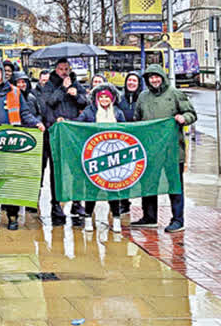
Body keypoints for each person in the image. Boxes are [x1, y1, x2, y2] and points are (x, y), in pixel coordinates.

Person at [0, 61, 45, 230]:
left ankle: (12, 216)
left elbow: (24, 113)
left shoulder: (15, 92)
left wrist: (36, 123)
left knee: (10, 180)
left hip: (11, 142)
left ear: (3, 74)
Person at [134, 64, 197, 233]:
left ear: (162, 77)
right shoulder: (143, 97)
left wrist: (184, 118)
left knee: (174, 185)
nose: (154, 80)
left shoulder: (175, 94)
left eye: (156, 76)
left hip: (172, 150)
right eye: (150, 77)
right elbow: (137, 120)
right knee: (148, 184)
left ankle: (178, 220)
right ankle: (149, 217)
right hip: (150, 150)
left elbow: (191, 114)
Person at [39, 58, 90, 224]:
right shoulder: (49, 84)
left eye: (66, 69)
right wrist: (63, 89)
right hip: (55, 132)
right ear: (56, 70)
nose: (64, 72)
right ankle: (56, 204)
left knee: (76, 168)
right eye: (61, 69)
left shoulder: (75, 82)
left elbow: (85, 102)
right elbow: (48, 103)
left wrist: (76, 95)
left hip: (73, 133)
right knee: (57, 170)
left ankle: (77, 202)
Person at [76, 83, 127, 233]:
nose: (104, 100)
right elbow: (77, 126)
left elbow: (126, 131)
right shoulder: (89, 112)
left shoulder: (118, 113)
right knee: (91, 188)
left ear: (112, 99)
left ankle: (116, 218)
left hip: (113, 156)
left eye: (107, 97)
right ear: (97, 99)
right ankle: (88, 218)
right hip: (93, 156)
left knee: (114, 187)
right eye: (101, 97)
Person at [116, 71, 145, 223]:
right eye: (129, 80)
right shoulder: (120, 99)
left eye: (134, 80)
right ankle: (124, 201)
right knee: (123, 172)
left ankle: (147, 209)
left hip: (139, 140)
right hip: (123, 141)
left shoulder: (144, 98)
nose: (131, 83)